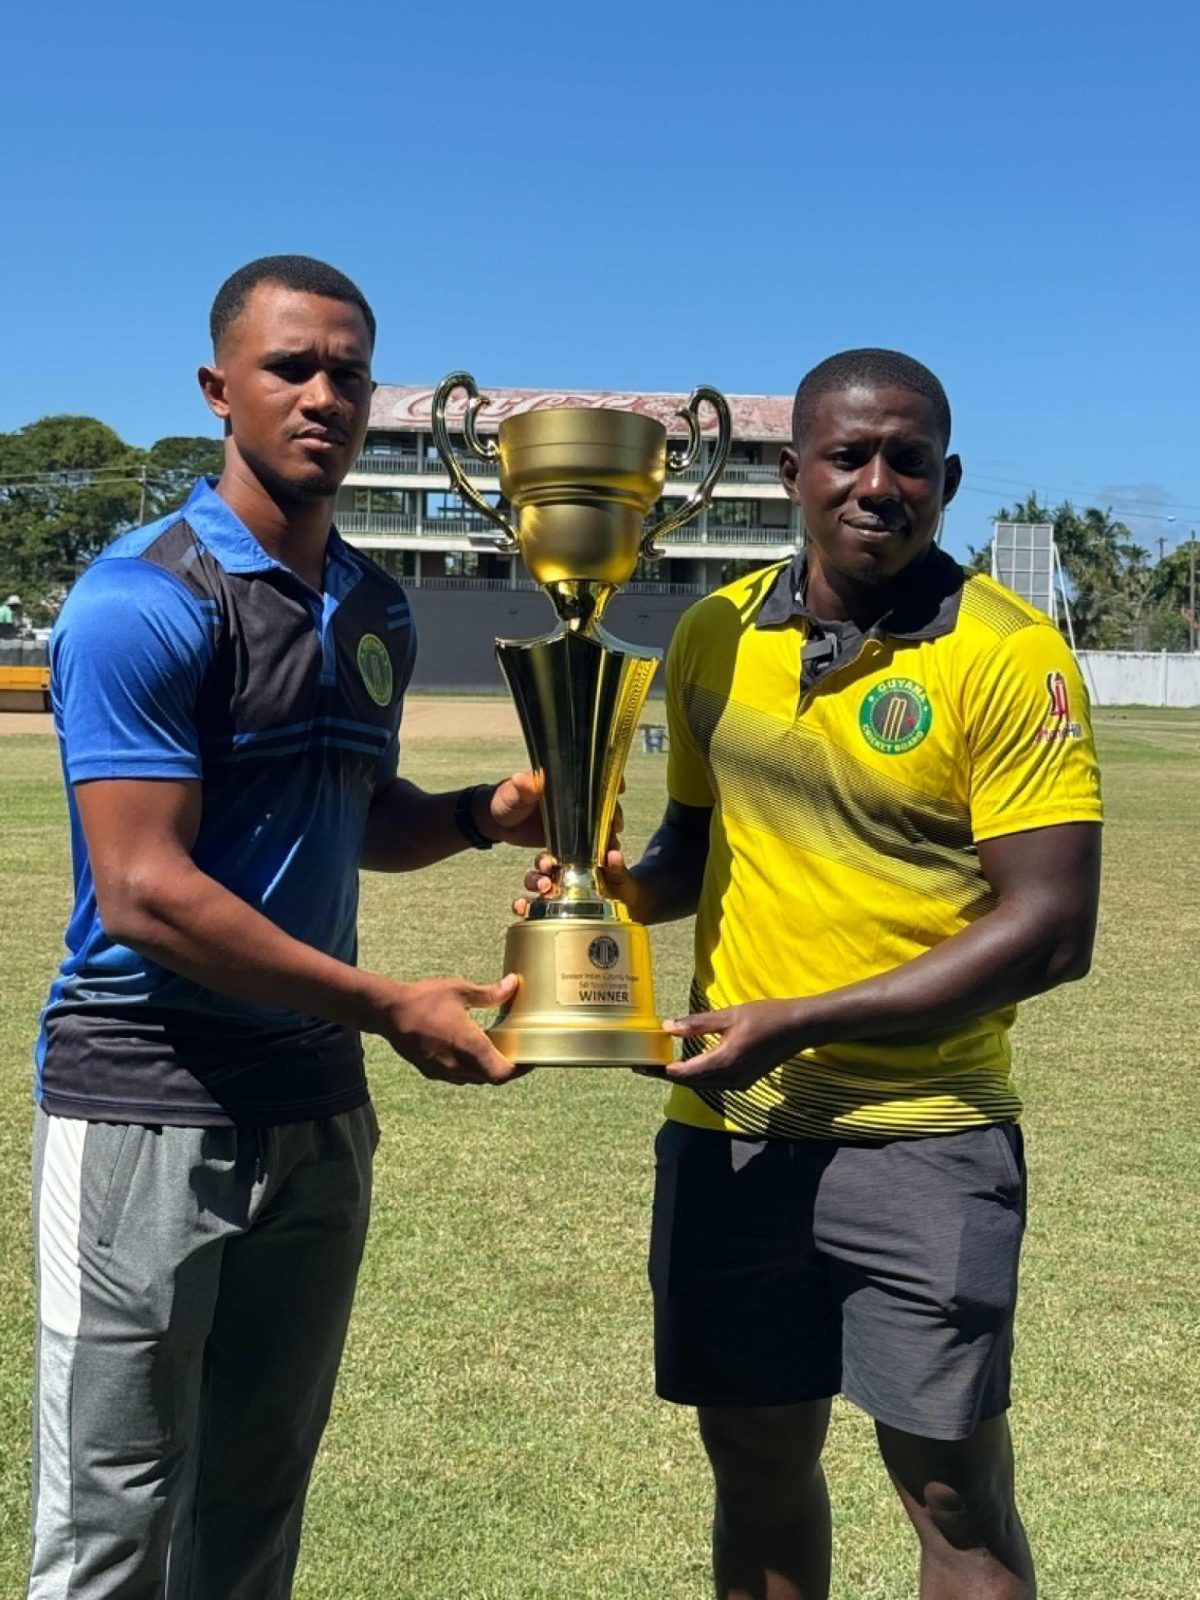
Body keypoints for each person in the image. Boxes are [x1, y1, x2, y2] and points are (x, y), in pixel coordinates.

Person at [520, 349, 1102, 1600]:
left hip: (923, 1141)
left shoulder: (1011, 652)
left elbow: (1053, 927)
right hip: (731, 1133)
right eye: (849, 455)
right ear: (793, 473)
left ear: (948, 479)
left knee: (953, 1497)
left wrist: (798, 1024)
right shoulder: (716, 631)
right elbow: (690, 848)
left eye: (908, 460)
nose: (877, 484)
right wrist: (602, 891)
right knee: (756, 1465)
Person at [30, 254, 541, 1600]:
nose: (324, 395)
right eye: (290, 368)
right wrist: (385, 1003)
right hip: (148, 1097)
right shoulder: (147, 595)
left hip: (312, 1106)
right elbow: (144, 889)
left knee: (256, 1506)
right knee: (111, 1519)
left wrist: (489, 815)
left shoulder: (373, 604)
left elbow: (356, 812)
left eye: (349, 373)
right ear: (220, 389)